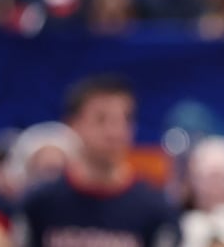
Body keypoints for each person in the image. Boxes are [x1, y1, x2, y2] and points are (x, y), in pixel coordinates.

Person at [17, 74, 180, 247]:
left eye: (125, 119)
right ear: (73, 125)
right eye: (101, 120)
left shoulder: (156, 210)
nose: (114, 132)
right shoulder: (41, 205)